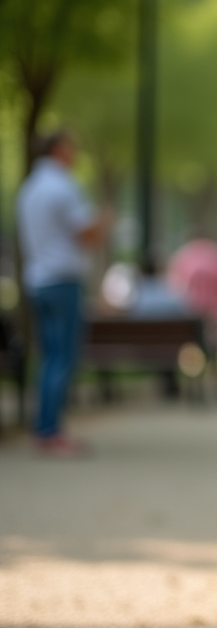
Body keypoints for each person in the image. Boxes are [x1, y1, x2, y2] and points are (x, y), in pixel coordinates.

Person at [16, 131, 112, 457]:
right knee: (63, 357)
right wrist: (105, 221)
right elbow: (86, 234)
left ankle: (44, 428)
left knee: (48, 357)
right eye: (72, 147)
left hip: (37, 281)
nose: (75, 153)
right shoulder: (63, 185)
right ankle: (50, 430)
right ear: (59, 149)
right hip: (63, 281)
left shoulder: (28, 188)